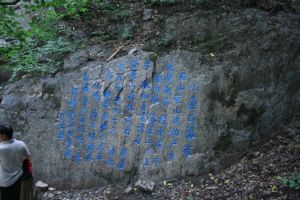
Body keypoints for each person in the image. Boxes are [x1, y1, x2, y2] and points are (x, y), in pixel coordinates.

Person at [0, 122, 30, 200]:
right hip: (18, 177)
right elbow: (27, 157)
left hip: (5, 181)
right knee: (16, 197)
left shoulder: (1, 148)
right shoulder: (21, 144)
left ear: (4, 136)